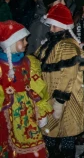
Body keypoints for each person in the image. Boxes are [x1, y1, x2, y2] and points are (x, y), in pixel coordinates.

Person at [35, 4, 84, 158]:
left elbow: (68, 75)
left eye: (55, 26)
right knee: (50, 135)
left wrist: (60, 99)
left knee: (66, 134)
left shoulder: (67, 47)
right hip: (49, 97)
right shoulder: (48, 45)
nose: (52, 29)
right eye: (51, 26)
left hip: (66, 99)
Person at [0, 20, 51, 158]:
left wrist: (41, 110)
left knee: (33, 147)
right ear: (11, 43)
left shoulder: (29, 63)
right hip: (6, 118)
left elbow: (38, 89)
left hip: (28, 116)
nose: (27, 43)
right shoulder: (1, 67)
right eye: (22, 40)